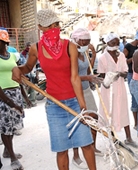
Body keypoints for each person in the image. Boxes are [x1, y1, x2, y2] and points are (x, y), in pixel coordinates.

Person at [11, 9, 96, 170]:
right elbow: (28, 67)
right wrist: (17, 69)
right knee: (62, 150)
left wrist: (83, 107)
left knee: (86, 144)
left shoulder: (69, 46)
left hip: (74, 102)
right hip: (54, 106)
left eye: (56, 24)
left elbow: (75, 78)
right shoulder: (35, 48)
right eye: (49, 26)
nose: (54, 28)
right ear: (40, 27)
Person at [97, 32, 138, 148]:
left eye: (117, 43)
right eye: (113, 43)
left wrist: (119, 74)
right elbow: (101, 76)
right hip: (108, 90)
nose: (116, 45)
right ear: (107, 43)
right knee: (109, 113)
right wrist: (109, 77)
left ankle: (129, 138)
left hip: (120, 88)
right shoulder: (102, 58)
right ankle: (113, 140)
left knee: (123, 112)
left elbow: (125, 72)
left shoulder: (121, 56)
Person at [70, 28, 103, 168]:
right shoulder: (71, 54)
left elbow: (88, 71)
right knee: (78, 122)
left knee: (93, 118)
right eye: (85, 42)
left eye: (89, 42)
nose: (87, 44)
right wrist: (88, 77)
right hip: (76, 92)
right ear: (76, 40)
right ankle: (76, 155)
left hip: (87, 90)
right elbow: (72, 77)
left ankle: (93, 146)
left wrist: (93, 55)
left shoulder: (84, 53)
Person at [0, 30, 25, 170]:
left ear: (4, 42)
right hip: (2, 95)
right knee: (5, 126)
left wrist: (24, 96)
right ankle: (13, 158)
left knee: (13, 125)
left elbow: (17, 76)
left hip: (15, 92)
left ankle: (7, 151)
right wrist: (10, 103)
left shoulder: (12, 57)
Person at [123, 30, 138, 130]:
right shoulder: (128, 47)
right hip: (132, 74)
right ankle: (136, 124)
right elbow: (123, 62)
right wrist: (133, 59)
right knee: (135, 98)